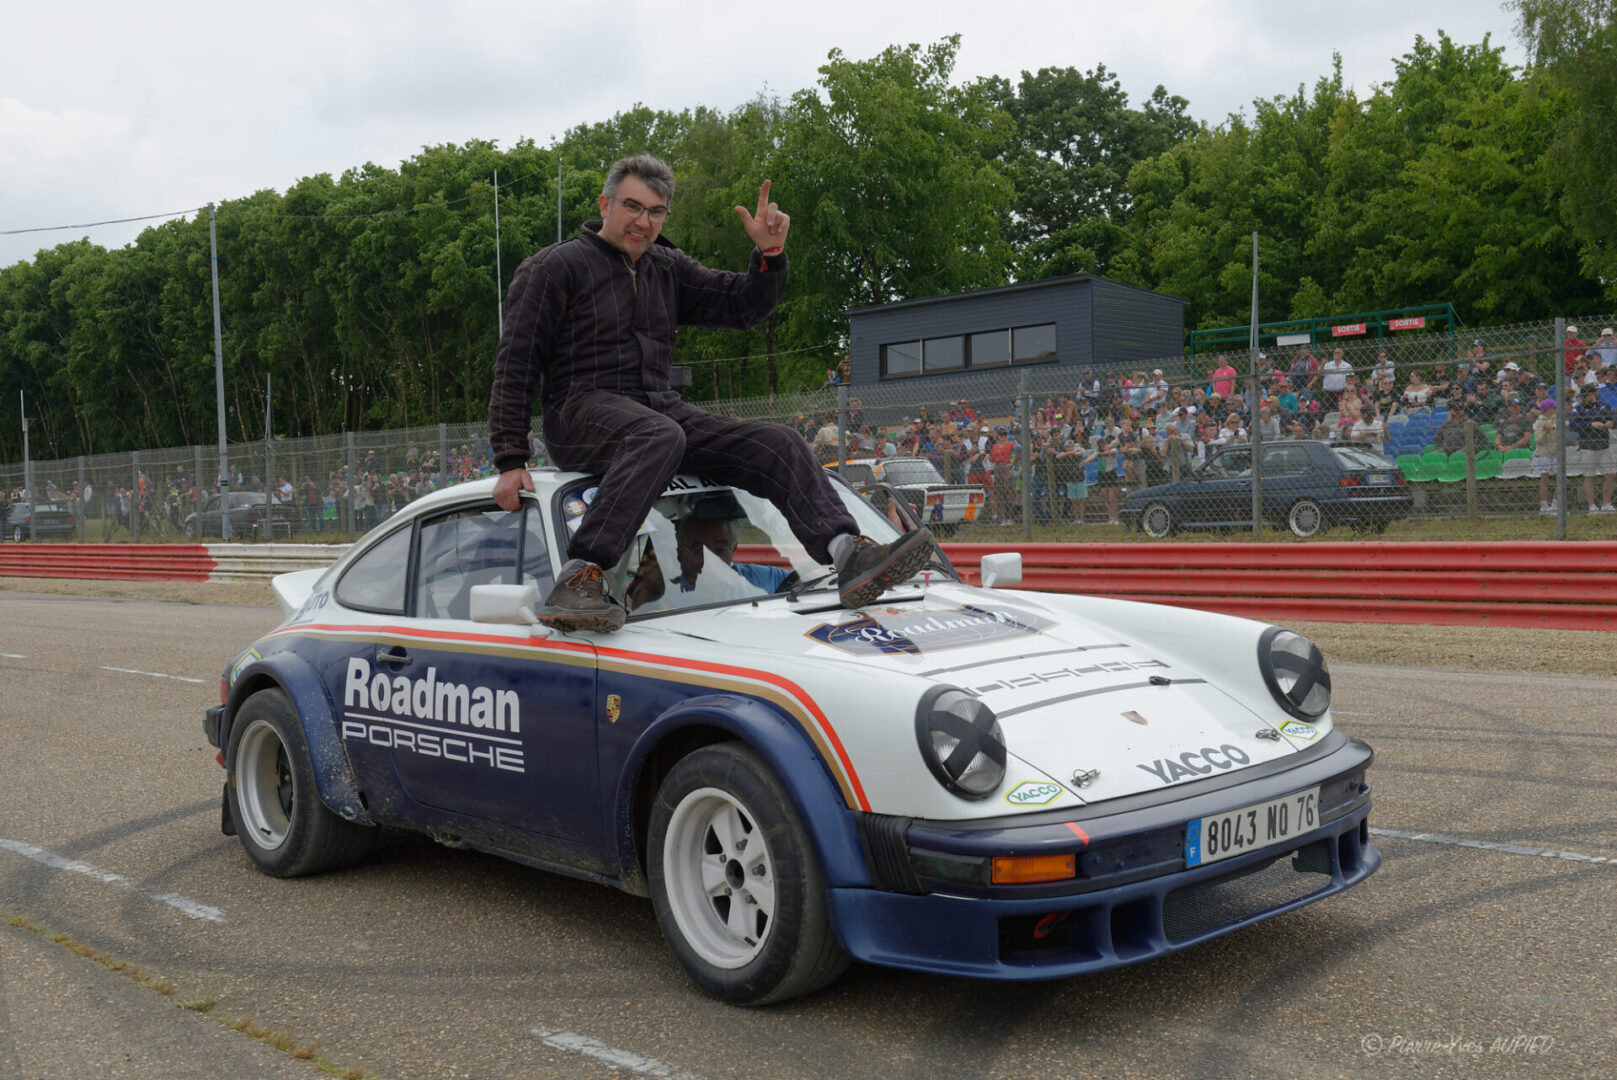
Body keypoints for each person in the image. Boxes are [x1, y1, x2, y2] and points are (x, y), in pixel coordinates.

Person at [488, 154, 932, 631]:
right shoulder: (555, 267)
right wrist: (511, 459)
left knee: (778, 442)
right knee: (658, 435)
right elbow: (516, 361)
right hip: (579, 409)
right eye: (632, 207)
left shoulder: (667, 267)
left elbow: (741, 306)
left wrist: (769, 256)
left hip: (659, 408)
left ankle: (848, 554)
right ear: (605, 204)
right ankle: (581, 577)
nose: (643, 222)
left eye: (656, 212)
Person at [1569, 384, 1616, 513]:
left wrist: (1611, 423)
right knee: (1589, 476)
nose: (1584, 399)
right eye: (1583, 396)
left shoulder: (1604, 405)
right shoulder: (1578, 408)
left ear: (1593, 395)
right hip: (1587, 447)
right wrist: (1590, 424)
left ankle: (1606, 504)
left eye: (1586, 396)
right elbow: (1572, 425)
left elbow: (1613, 419)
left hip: (1604, 445)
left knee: (1610, 474)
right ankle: (1592, 506)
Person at [1533, 399, 1560, 514]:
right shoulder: (1539, 422)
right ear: (1548, 409)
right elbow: (1538, 440)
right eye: (1554, 408)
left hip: (1556, 452)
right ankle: (1544, 506)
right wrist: (1545, 431)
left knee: (1560, 479)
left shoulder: (1557, 418)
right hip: (1544, 453)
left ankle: (1555, 504)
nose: (1556, 410)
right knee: (1545, 480)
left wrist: (1552, 426)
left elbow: (1565, 424)